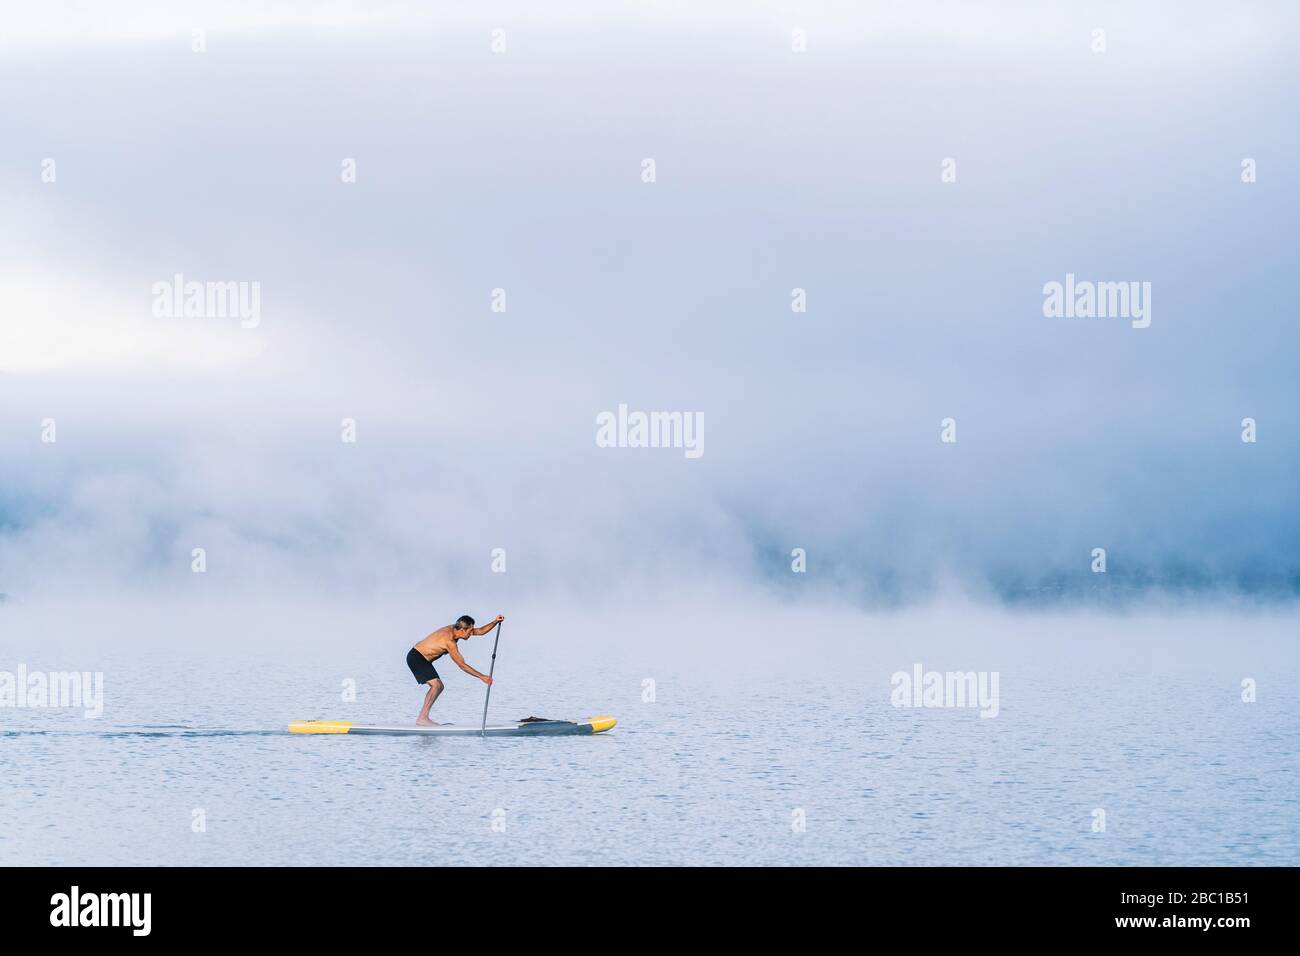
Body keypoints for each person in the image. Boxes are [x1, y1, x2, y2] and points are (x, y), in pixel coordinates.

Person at [406, 614, 503, 725]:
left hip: (422, 659)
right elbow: (462, 665)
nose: (472, 633)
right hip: (416, 658)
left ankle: (423, 717)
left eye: (472, 630)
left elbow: (480, 631)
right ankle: (422, 718)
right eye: (470, 631)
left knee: (439, 686)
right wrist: (482, 677)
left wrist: (495, 621)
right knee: (436, 685)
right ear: (461, 630)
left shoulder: (457, 629)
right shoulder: (449, 641)